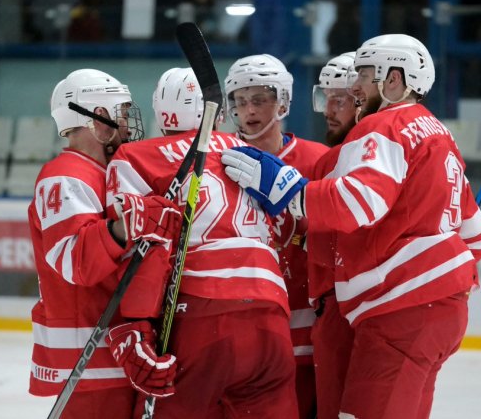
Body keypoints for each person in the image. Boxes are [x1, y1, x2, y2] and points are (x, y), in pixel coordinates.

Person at [222, 34, 481, 419]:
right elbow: (478, 237)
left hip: (400, 309)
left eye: (363, 75)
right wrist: (447, 275)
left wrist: (288, 189)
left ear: (394, 80)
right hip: (435, 309)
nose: (354, 88)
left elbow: (357, 203)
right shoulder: (436, 132)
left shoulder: (385, 126)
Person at [105, 67, 299, 418]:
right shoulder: (250, 153)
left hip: (202, 315)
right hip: (271, 313)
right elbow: (286, 229)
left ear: (159, 109)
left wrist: (133, 325)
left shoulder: (136, 158)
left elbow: (145, 249)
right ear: (217, 111)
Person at [28, 68, 182, 419]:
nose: (128, 124)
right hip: (90, 357)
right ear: (99, 117)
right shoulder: (66, 176)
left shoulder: (111, 173)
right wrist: (124, 228)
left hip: (114, 354)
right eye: (123, 113)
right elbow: (74, 260)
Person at [224, 54, 328, 419]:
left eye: (260, 99)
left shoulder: (319, 160)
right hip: (239, 329)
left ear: (282, 102)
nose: (249, 110)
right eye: (240, 100)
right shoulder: (219, 162)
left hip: (307, 329)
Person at [308, 52, 361, 419]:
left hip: (340, 308)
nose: (328, 109)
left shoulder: (336, 159)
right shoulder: (399, 149)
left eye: (339, 99)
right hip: (368, 308)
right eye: (324, 97)